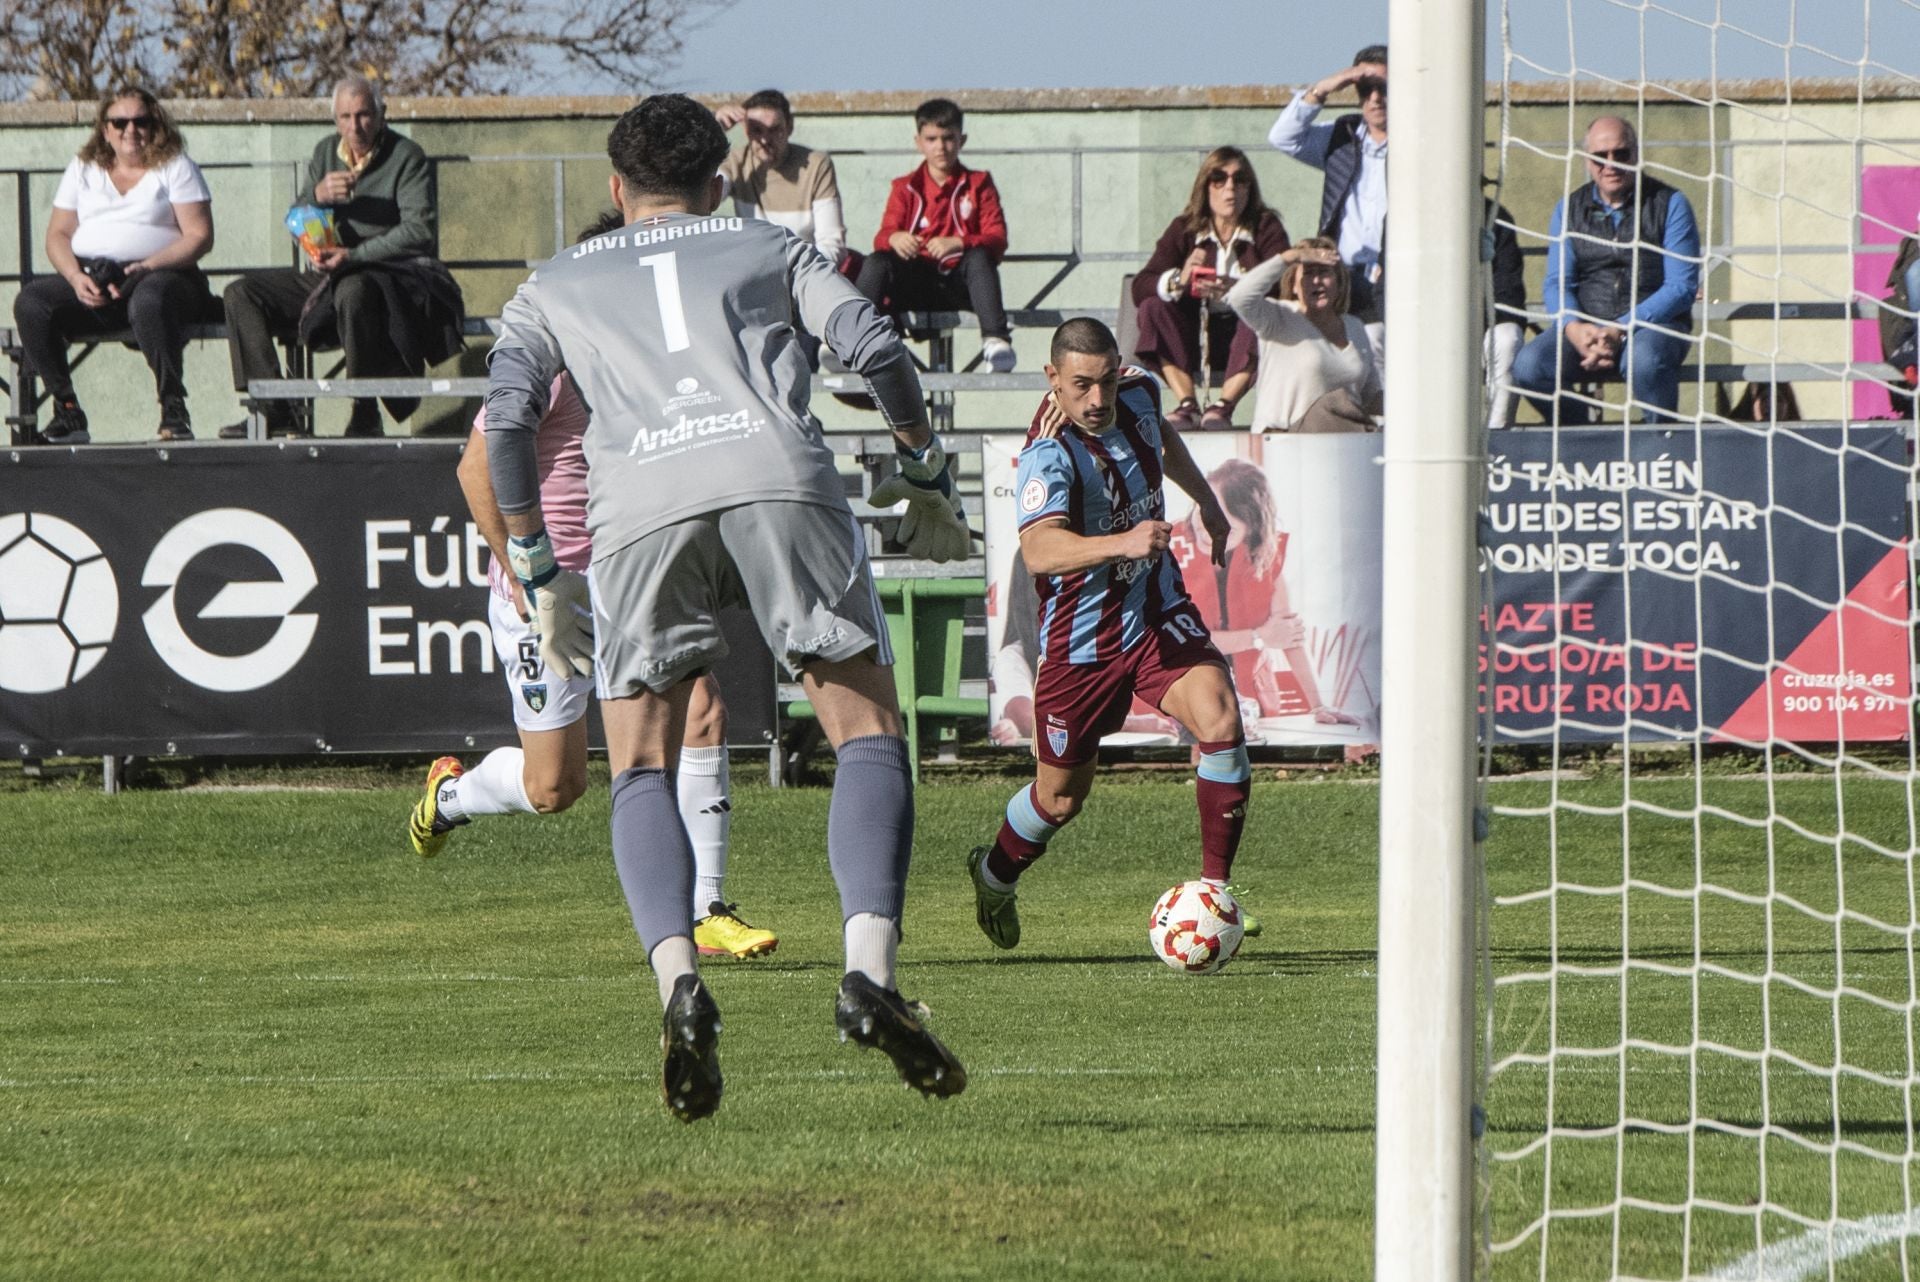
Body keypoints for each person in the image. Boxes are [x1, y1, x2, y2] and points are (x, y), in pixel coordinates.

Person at [484, 94, 971, 1122]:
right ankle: (869, 973)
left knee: (641, 765)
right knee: (867, 732)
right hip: (775, 477)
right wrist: (926, 471)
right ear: (719, 183)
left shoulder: (555, 283)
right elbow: (876, 349)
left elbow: (503, 422)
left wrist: (536, 563)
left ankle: (679, 987)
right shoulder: (765, 242)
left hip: (639, 511)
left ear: (616, 191)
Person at [406, 213, 777, 962]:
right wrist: (525, 575)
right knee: (556, 787)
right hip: (556, 586)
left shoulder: (660, 356)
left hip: (636, 571)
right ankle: (447, 799)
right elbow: (475, 468)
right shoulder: (556, 354)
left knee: (703, 709)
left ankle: (708, 907)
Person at [964, 319, 1254, 952]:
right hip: (1080, 644)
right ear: (1053, 380)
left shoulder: (1139, 392)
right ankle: (993, 876)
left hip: (1154, 613)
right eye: (1081, 386)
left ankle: (1216, 896)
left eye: (1106, 383)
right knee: (1060, 801)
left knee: (1220, 718)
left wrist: (1203, 499)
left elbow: (1162, 436)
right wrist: (1120, 541)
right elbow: (1039, 550)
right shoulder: (1049, 451)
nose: (1098, 401)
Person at [220, 75, 464, 439]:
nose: (355, 126)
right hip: (328, 273)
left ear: (382, 115)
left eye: (364, 115)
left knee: (355, 290)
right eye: (346, 117)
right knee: (240, 293)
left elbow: (419, 231)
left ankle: (364, 410)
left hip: (385, 276)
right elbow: (297, 215)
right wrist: (317, 196)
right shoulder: (325, 152)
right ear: (335, 120)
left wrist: (354, 254)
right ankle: (274, 408)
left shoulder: (406, 156)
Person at [12, 86, 213, 444]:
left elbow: (199, 236)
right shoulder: (83, 168)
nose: (129, 131)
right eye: (119, 122)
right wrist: (75, 277)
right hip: (93, 275)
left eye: (140, 121)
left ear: (156, 125)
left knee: (150, 301)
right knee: (31, 302)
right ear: (105, 129)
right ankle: (68, 410)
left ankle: (173, 408)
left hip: (164, 274)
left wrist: (147, 265)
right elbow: (57, 234)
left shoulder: (175, 166)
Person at [1510, 116, 1701, 425]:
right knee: (1529, 366)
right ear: (1587, 161)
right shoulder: (1568, 208)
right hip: (1588, 331)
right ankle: (1582, 440)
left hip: (1652, 329)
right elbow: (1558, 282)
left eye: (1621, 154)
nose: (1610, 164)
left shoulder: (1671, 204)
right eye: (1601, 157)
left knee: (1645, 362)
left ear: (1636, 155)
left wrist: (1622, 327)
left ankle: (1660, 445)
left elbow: (1681, 286)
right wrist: (1574, 326)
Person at [1168, 457, 1356, 727]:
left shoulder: (1265, 556)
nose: (1211, 531)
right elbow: (1178, 641)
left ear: (1251, 528)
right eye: (1204, 513)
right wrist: (1258, 637)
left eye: (1227, 528)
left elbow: (1288, 636)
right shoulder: (1165, 549)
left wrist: (1318, 706)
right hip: (1180, 701)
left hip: (1253, 707)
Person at [1130, 147, 1290, 430]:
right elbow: (1142, 285)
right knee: (1153, 307)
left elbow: (1286, 284)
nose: (1230, 188)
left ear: (1249, 188)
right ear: (1205, 187)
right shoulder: (1185, 229)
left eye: (1239, 180)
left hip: (1246, 336)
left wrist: (1239, 289)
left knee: (1262, 312)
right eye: (1219, 179)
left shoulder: (1265, 227)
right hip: (1194, 336)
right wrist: (1180, 279)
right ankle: (1187, 404)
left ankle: (1223, 406)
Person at [855, 98, 1015, 373]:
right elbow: (883, 235)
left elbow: (997, 238)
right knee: (878, 260)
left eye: (948, 138)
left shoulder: (979, 183)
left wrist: (960, 242)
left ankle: (996, 342)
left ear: (961, 140)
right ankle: (850, 338)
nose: (940, 147)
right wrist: (894, 238)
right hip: (916, 283)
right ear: (919, 142)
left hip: (960, 285)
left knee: (979, 258)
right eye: (931, 138)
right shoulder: (904, 187)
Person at [1269, 44, 1389, 363]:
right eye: (1366, 88)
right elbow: (1283, 138)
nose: (1376, 98)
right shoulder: (1342, 136)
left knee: (1380, 344)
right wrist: (1324, 88)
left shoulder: (1421, 140)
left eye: (1384, 87)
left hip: (1392, 275)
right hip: (1343, 274)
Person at [1226, 238, 1382, 433]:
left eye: (1324, 272)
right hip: (1283, 442)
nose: (1317, 281)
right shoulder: (1278, 317)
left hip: (1341, 445)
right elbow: (1239, 297)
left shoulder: (1355, 327)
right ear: (1293, 285)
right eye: (1308, 274)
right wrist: (1290, 257)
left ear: (1339, 282)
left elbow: (1371, 395)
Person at [713, 89, 848, 269]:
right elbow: (698, 199)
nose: (765, 139)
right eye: (757, 130)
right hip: (752, 270)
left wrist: (794, 276)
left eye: (775, 130)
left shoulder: (815, 165)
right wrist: (713, 131)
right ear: (746, 131)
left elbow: (831, 245)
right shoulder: (736, 163)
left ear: (789, 127)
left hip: (804, 272)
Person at [1485, 199, 1528, 429]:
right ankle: (1385, 431)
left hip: (1482, 325)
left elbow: (1509, 294)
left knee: (1507, 337)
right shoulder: (1404, 217)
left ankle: (1497, 435)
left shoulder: (1495, 217)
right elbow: (1385, 289)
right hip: (1422, 327)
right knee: (1377, 335)